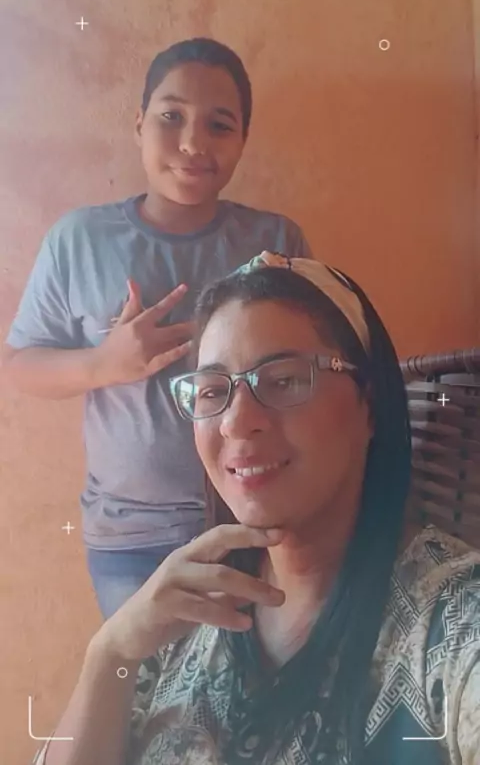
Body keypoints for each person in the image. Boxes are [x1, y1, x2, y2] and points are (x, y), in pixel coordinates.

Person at [31, 251, 480, 765]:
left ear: (370, 406)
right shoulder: (180, 613)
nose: (236, 422)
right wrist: (108, 655)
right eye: (211, 391)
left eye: (284, 380)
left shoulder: (454, 622)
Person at [1, 39, 312, 620]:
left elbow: (309, 370)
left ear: (243, 139)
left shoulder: (276, 241)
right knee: (147, 678)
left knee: (270, 673)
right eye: (172, 117)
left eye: (220, 125)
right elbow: (18, 365)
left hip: (258, 516)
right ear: (139, 123)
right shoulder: (80, 239)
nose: (193, 143)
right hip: (131, 538)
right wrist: (104, 364)